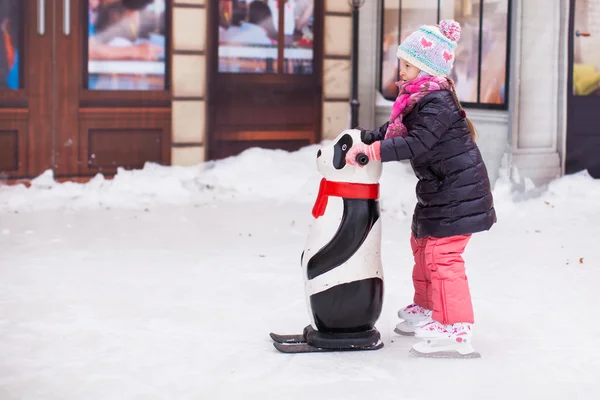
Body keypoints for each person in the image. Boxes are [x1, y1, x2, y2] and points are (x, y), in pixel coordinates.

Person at [345, 19, 496, 358]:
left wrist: (374, 152)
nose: (402, 70)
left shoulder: (437, 102)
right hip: (440, 190)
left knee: (443, 257)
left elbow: (417, 142)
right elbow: (396, 129)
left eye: (408, 64)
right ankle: (429, 308)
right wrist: (370, 136)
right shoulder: (418, 99)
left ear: (427, 68)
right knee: (422, 247)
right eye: (402, 63)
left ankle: (455, 326)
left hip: (458, 193)